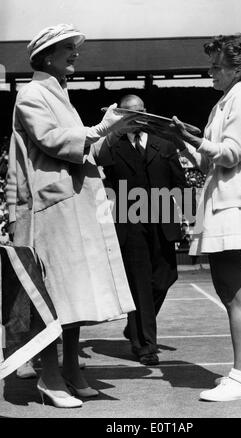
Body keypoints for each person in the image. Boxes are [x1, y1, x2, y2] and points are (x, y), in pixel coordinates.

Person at [5, 24, 140, 408]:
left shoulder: (59, 93)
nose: (74, 53)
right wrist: (100, 128)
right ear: (47, 56)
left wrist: (110, 132)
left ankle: (71, 370)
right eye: (67, 48)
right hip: (49, 209)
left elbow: (81, 145)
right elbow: (51, 140)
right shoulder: (31, 93)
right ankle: (49, 376)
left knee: (75, 294)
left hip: (73, 205)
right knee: (55, 297)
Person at [151, 34, 241, 401]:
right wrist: (183, 137)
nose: (210, 72)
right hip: (220, 205)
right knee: (229, 290)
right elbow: (206, 161)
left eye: (216, 67)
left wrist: (195, 139)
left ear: (237, 67)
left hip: (233, 207)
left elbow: (230, 155)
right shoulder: (222, 104)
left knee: (230, 292)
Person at [98, 94, 187, 366]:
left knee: (166, 276)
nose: (135, 118)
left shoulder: (165, 145)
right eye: (128, 114)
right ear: (122, 117)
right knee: (140, 284)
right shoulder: (113, 146)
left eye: (139, 113)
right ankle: (145, 345)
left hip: (163, 219)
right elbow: (101, 172)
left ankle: (134, 327)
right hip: (130, 220)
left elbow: (180, 183)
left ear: (146, 113)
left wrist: (190, 219)